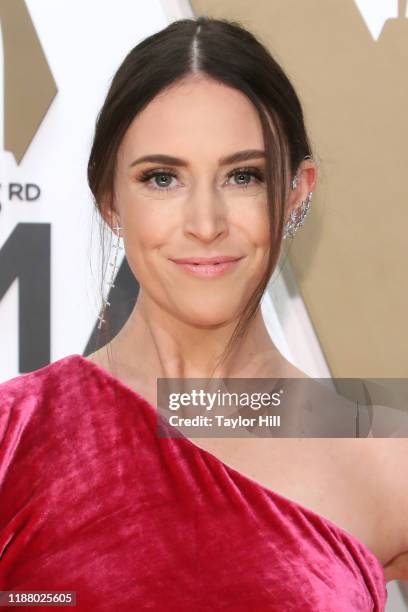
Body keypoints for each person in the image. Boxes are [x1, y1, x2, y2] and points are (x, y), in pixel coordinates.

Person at [0, 16, 406, 611]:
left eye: (243, 176)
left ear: (297, 192)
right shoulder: (15, 438)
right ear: (110, 200)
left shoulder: (384, 463)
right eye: (162, 178)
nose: (207, 223)